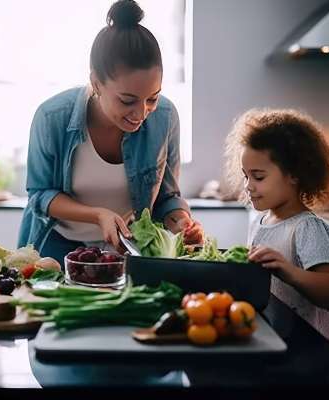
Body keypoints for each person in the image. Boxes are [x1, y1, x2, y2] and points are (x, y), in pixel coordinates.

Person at [18, 0, 203, 265]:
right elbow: (40, 195)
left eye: (152, 98)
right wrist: (98, 215)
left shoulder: (166, 117)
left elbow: (167, 198)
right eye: (127, 101)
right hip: (55, 247)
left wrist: (182, 224)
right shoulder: (51, 117)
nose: (141, 114)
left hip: (127, 250)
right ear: (96, 83)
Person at [224, 108, 329, 352]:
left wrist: (289, 272)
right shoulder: (260, 222)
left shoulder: (307, 228)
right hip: (278, 342)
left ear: (293, 174)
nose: (248, 186)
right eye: (245, 176)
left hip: (312, 353)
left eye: (258, 177)